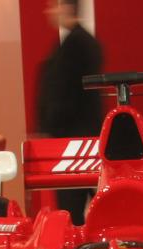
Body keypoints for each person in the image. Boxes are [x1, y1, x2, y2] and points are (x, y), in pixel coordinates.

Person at [37, 0, 104, 225]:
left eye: (54, 6)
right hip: (78, 136)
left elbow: (65, 92)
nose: (49, 11)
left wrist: (50, 126)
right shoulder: (77, 42)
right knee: (83, 199)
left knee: (72, 204)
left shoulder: (77, 45)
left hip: (74, 140)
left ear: (66, 8)